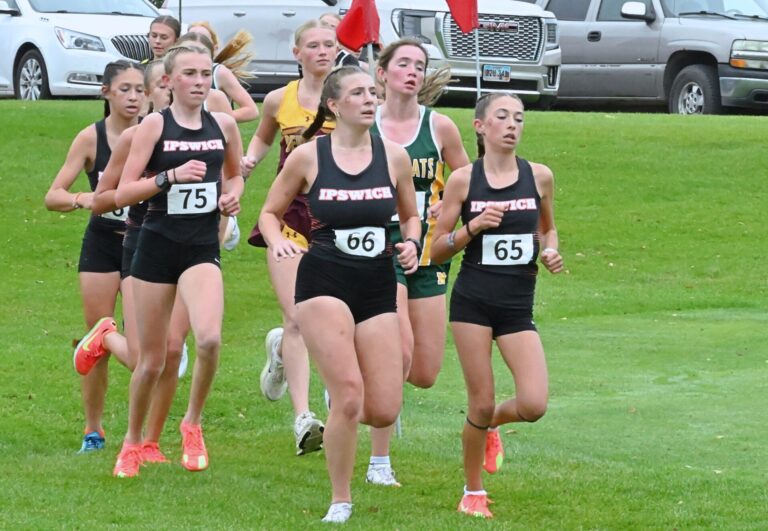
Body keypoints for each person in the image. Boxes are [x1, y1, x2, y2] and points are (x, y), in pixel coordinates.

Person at [258, 65, 420, 524]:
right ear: (334, 105)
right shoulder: (308, 157)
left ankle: (339, 401)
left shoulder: (394, 157)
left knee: (383, 408)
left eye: (372, 91)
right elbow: (269, 212)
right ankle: (340, 500)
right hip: (324, 280)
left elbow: (410, 216)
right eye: (358, 93)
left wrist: (411, 242)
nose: (370, 99)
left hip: (376, 281)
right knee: (350, 394)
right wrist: (277, 240)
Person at [111, 43, 244, 478]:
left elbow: (234, 175)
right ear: (169, 80)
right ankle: (132, 442)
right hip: (156, 246)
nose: (199, 82)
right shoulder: (154, 126)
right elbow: (122, 192)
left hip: (201, 248)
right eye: (190, 73)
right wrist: (168, 177)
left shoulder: (223, 124)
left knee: (209, 339)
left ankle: (192, 423)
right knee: (151, 360)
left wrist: (232, 196)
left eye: (205, 74)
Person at [430, 93, 564, 518]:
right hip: (473, 304)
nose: (512, 125)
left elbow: (548, 229)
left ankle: (490, 426)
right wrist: (474, 227)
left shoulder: (539, 177)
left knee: (534, 404)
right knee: (480, 401)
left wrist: (550, 251)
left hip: (517, 307)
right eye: (502, 117)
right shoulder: (463, 181)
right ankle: (473, 492)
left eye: (519, 118)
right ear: (480, 126)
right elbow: (437, 249)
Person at [366, 37, 469, 487]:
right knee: (398, 352)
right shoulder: (364, 123)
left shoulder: (439, 127)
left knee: (424, 373)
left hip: (428, 252)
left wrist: (446, 206)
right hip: (379, 250)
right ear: (382, 73)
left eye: (419, 65)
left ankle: (349, 386)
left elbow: (468, 180)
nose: (412, 71)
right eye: (403, 63)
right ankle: (379, 463)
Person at [241, 19, 337, 457]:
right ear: (297, 53)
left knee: (335, 316)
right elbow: (262, 140)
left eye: (328, 44)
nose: (322, 51)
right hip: (289, 217)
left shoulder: (349, 97)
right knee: (297, 316)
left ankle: (280, 349)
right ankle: (304, 418)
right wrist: (245, 165)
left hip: (338, 218)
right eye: (313, 45)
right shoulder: (281, 99)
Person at [44, 61, 143, 453]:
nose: (134, 97)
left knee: (141, 349)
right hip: (102, 244)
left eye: (140, 89)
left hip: (144, 245)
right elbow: (53, 195)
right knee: (96, 348)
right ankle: (93, 431)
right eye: (125, 89)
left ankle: (141, 434)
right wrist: (82, 198)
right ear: (106, 93)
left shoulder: (154, 132)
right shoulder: (91, 138)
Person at [187, 22, 260, 123]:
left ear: (215, 48)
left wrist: (215, 118)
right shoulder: (177, 72)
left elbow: (251, 110)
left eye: (203, 39)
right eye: (191, 38)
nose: (196, 42)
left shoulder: (220, 72)